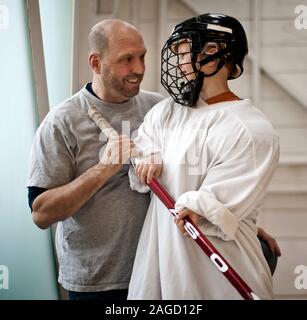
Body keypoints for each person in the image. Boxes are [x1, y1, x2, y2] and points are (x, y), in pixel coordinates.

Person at [127, 13, 280, 299]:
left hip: (220, 276)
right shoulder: (165, 112)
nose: (180, 60)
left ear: (214, 52)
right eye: (178, 52)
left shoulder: (251, 129)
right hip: (162, 265)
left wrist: (200, 206)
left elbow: (213, 208)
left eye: (187, 49)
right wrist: (148, 155)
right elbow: (143, 146)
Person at [27, 19, 164, 300]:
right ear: (96, 62)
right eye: (126, 59)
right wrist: (104, 169)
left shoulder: (159, 109)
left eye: (142, 57)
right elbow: (42, 213)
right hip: (96, 284)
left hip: (156, 273)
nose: (139, 69)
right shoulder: (62, 122)